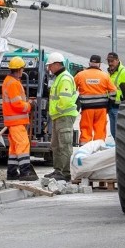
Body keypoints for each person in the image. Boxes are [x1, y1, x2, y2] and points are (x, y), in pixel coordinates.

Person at [2, 56, 37, 181]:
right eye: (22, 69)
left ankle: (12, 172)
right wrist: (29, 105)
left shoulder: (10, 81)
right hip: (16, 120)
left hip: (13, 120)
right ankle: (25, 172)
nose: (23, 71)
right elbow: (17, 104)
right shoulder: (13, 83)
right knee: (22, 145)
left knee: (14, 148)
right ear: (19, 69)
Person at [44, 52, 78, 182]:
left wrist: (56, 111)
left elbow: (64, 100)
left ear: (57, 64)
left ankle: (66, 172)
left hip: (64, 116)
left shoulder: (64, 78)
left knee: (64, 144)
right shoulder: (60, 77)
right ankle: (58, 170)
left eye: (50, 66)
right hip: (59, 117)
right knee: (56, 145)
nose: (49, 68)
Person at [74, 54, 117, 145]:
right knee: (100, 131)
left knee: (86, 130)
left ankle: (85, 151)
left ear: (89, 63)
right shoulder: (105, 76)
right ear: (99, 64)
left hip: (87, 109)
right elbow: (113, 91)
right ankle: (98, 152)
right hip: (101, 109)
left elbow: (72, 89)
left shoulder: (80, 75)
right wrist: (110, 102)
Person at [106, 52, 125, 139]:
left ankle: (119, 150)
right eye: (108, 61)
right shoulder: (110, 72)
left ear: (117, 60)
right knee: (113, 133)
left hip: (120, 107)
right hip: (111, 106)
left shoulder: (124, 72)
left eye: (112, 61)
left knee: (119, 133)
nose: (110, 63)